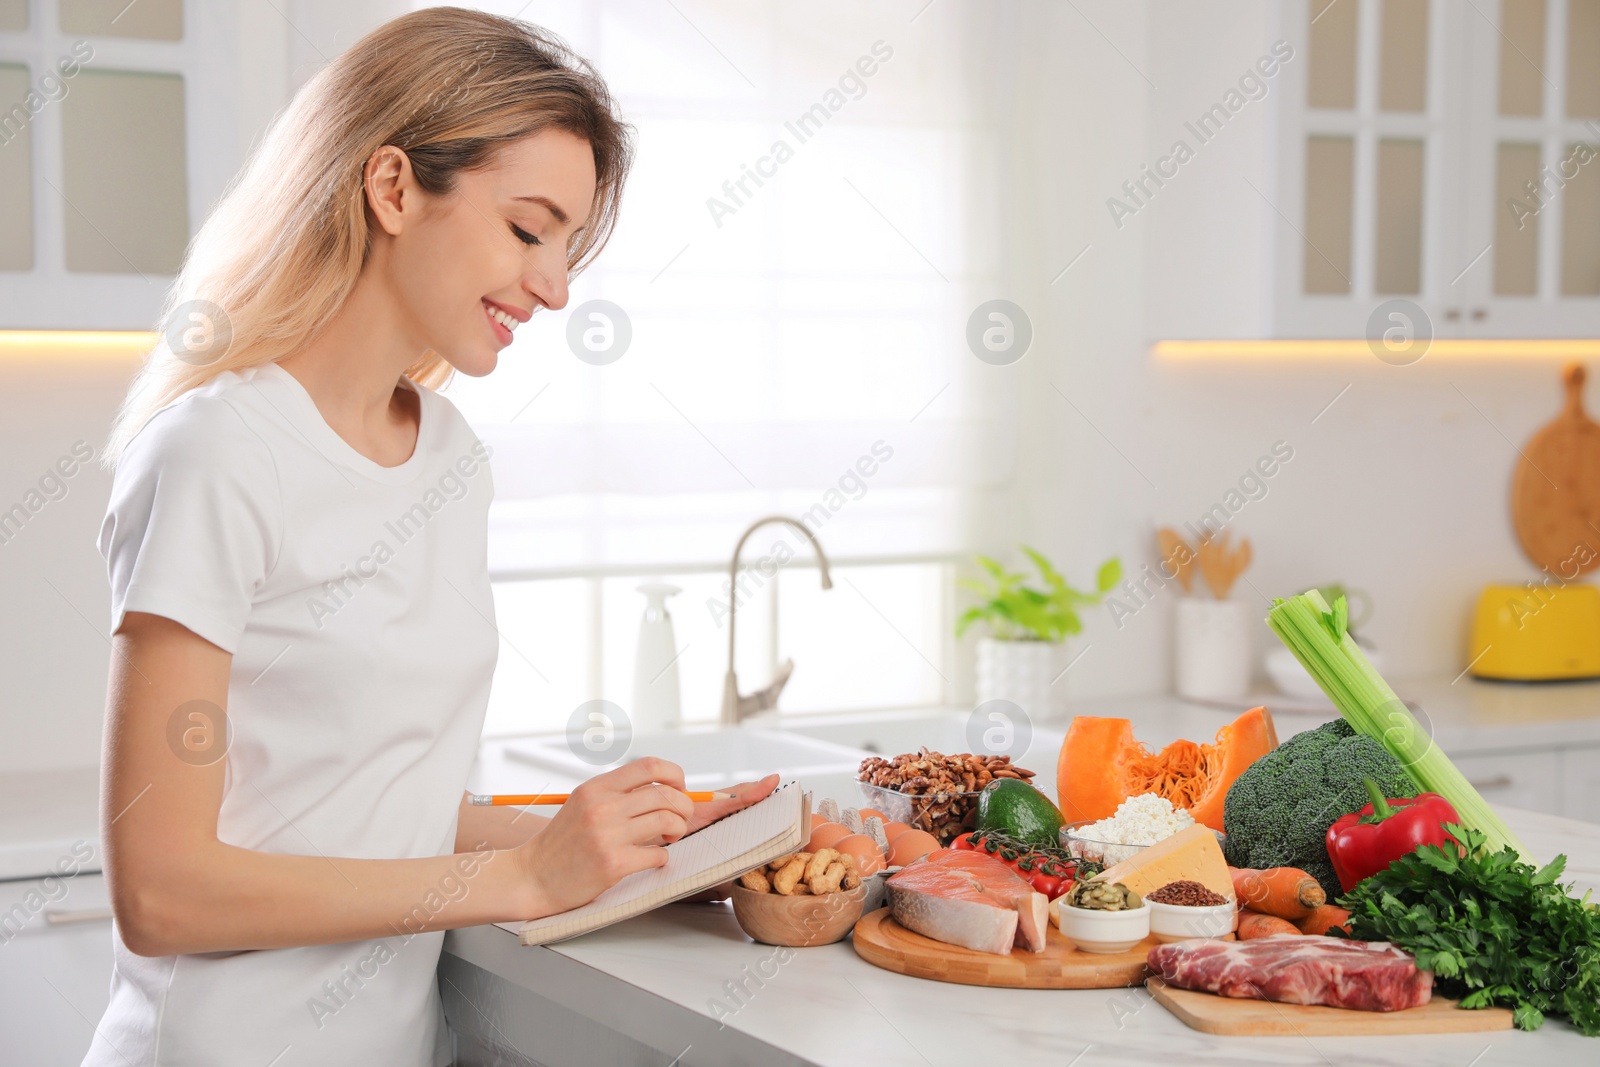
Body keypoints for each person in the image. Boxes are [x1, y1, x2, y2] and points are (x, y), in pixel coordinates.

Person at [88, 9, 775, 1065]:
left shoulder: (449, 458)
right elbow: (161, 888)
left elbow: (378, 798)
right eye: (528, 228)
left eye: (567, 245)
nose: (553, 286)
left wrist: (662, 847)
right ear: (395, 186)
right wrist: (521, 876)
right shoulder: (218, 450)